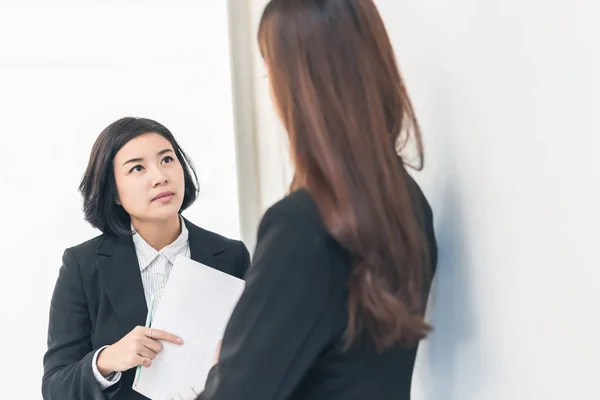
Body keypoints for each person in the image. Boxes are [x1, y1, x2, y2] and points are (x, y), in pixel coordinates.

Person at [194, 0, 438, 399]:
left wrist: (224, 367)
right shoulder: (408, 203)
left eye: (269, 70)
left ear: (298, 88)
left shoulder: (303, 225)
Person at [42, 117, 250, 400]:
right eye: (137, 168)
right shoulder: (82, 265)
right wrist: (107, 360)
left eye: (167, 160)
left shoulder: (231, 255)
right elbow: (55, 387)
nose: (160, 177)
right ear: (114, 192)